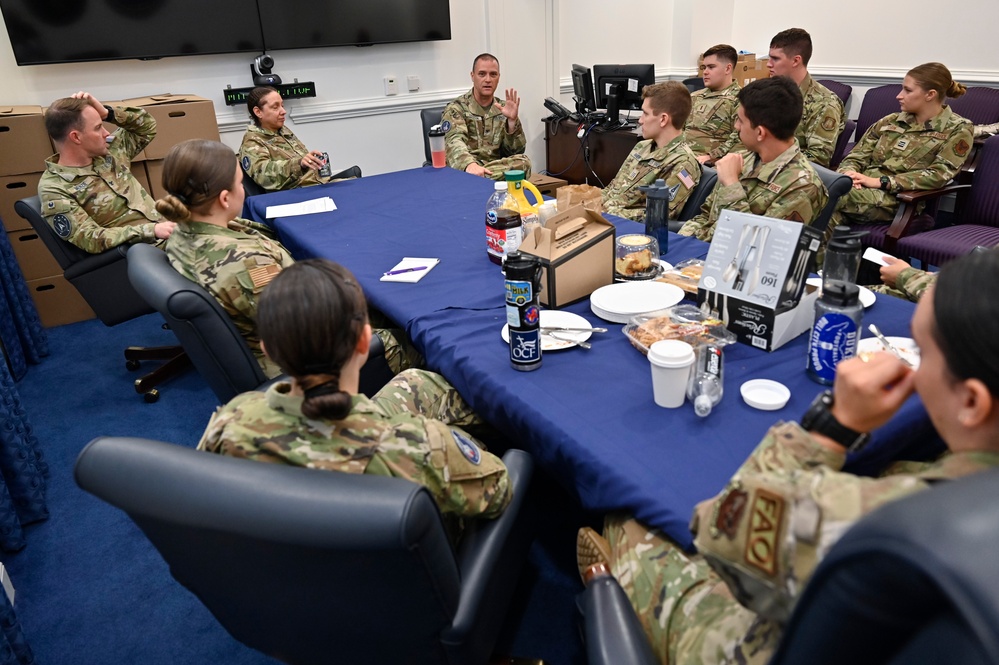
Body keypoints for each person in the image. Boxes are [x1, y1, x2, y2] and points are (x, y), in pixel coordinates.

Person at [577, 248, 999, 664]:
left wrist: (835, 425)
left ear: (972, 402)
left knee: (632, 516)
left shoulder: (896, 521)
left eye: (921, 353)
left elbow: (720, 524)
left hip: (763, 643)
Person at [198, 258, 512, 526]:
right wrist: (456, 444)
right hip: (405, 585)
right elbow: (498, 493)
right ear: (364, 341)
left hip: (281, 579)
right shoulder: (419, 449)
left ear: (268, 349)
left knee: (418, 381)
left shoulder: (228, 424)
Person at [158, 139, 420, 379]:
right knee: (419, 337)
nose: (243, 190)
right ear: (225, 198)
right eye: (240, 183)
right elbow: (308, 329)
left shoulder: (182, 231)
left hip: (286, 330)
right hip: (309, 365)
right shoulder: (246, 264)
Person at [678, 77, 828, 242]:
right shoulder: (745, 159)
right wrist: (682, 242)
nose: (736, 126)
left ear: (760, 133)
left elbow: (756, 245)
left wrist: (731, 185)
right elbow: (706, 216)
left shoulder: (803, 187)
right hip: (701, 253)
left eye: (741, 121)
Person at [830, 63, 973, 231]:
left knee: (819, 193)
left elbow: (939, 175)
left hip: (897, 199)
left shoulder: (958, 129)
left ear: (930, 94)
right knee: (825, 219)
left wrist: (881, 182)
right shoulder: (890, 120)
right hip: (858, 188)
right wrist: (848, 175)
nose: (899, 95)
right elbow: (857, 155)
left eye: (908, 90)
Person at [38, 91, 174, 253]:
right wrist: (151, 230)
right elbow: (89, 238)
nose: (106, 133)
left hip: (173, 234)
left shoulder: (110, 152)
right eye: (98, 127)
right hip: (146, 254)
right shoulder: (54, 188)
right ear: (76, 137)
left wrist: (107, 113)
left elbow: (146, 126)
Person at [601, 82, 700, 222]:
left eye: (645, 114)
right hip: (605, 217)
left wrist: (606, 212)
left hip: (627, 230)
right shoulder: (642, 146)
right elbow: (613, 187)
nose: (640, 120)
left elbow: (658, 216)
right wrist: (591, 202)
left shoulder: (683, 163)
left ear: (663, 119)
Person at [442, 53, 531, 179]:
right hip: (467, 167)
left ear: (498, 77)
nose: (488, 80)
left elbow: (516, 152)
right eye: (482, 74)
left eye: (493, 74)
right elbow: (454, 142)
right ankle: (477, 179)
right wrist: (469, 165)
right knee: (463, 172)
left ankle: (479, 180)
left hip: (495, 166)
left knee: (524, 163)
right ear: (472, 76)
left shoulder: (503, 107)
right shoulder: (457, 108)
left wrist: (512, 122)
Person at [767, 28, 845, 168]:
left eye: (776, 58)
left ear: (796, 60)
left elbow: (818, 157)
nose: (768, 64)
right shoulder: (770, 93)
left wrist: (770, 163)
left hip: (792, 175)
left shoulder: (824, 103)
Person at [239, 86, 339, 192]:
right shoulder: (252, 141)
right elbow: (264, 176)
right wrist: (299, 163)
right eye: (275, 107)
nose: (283, 111)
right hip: (298, 193)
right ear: (258, 112)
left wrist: (310, 161)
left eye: (282, 105)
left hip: (317, 184)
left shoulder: (282, 130)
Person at [685, 44, 741, 164]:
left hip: (711, 163)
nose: (705, 72)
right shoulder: (695, 96)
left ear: (727, 69)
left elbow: (739, 138)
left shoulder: (740, 99)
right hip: (684, 157)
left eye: (711, 67)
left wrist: (711, 156)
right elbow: (678, 129)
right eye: (704, 67)